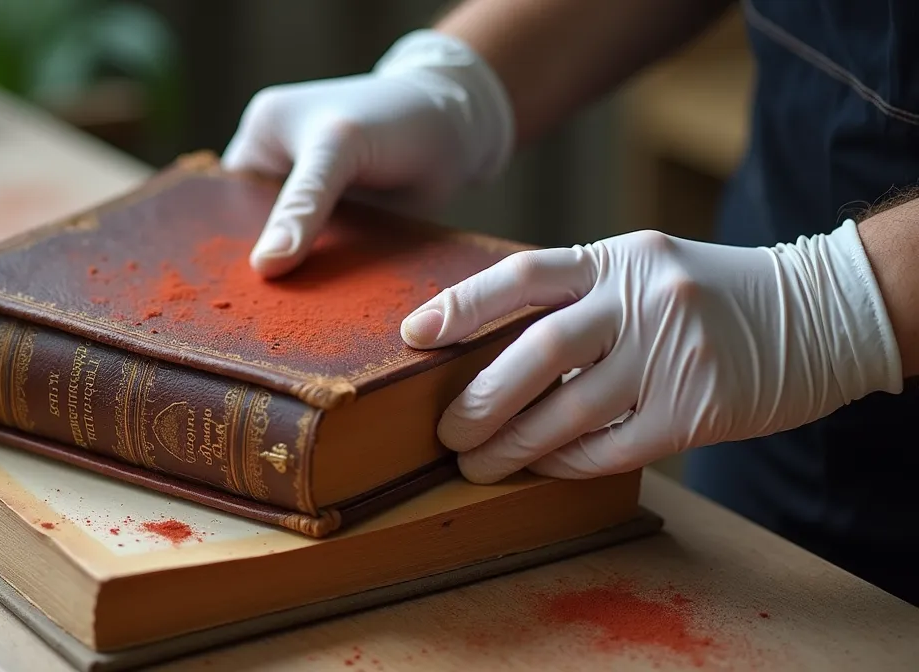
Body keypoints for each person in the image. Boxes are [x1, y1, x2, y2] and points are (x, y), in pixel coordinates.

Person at [221, 0, 919, 606]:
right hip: (757, 377)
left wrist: (836, 302)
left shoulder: (809, 313)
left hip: (796, 325)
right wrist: (461, 79)